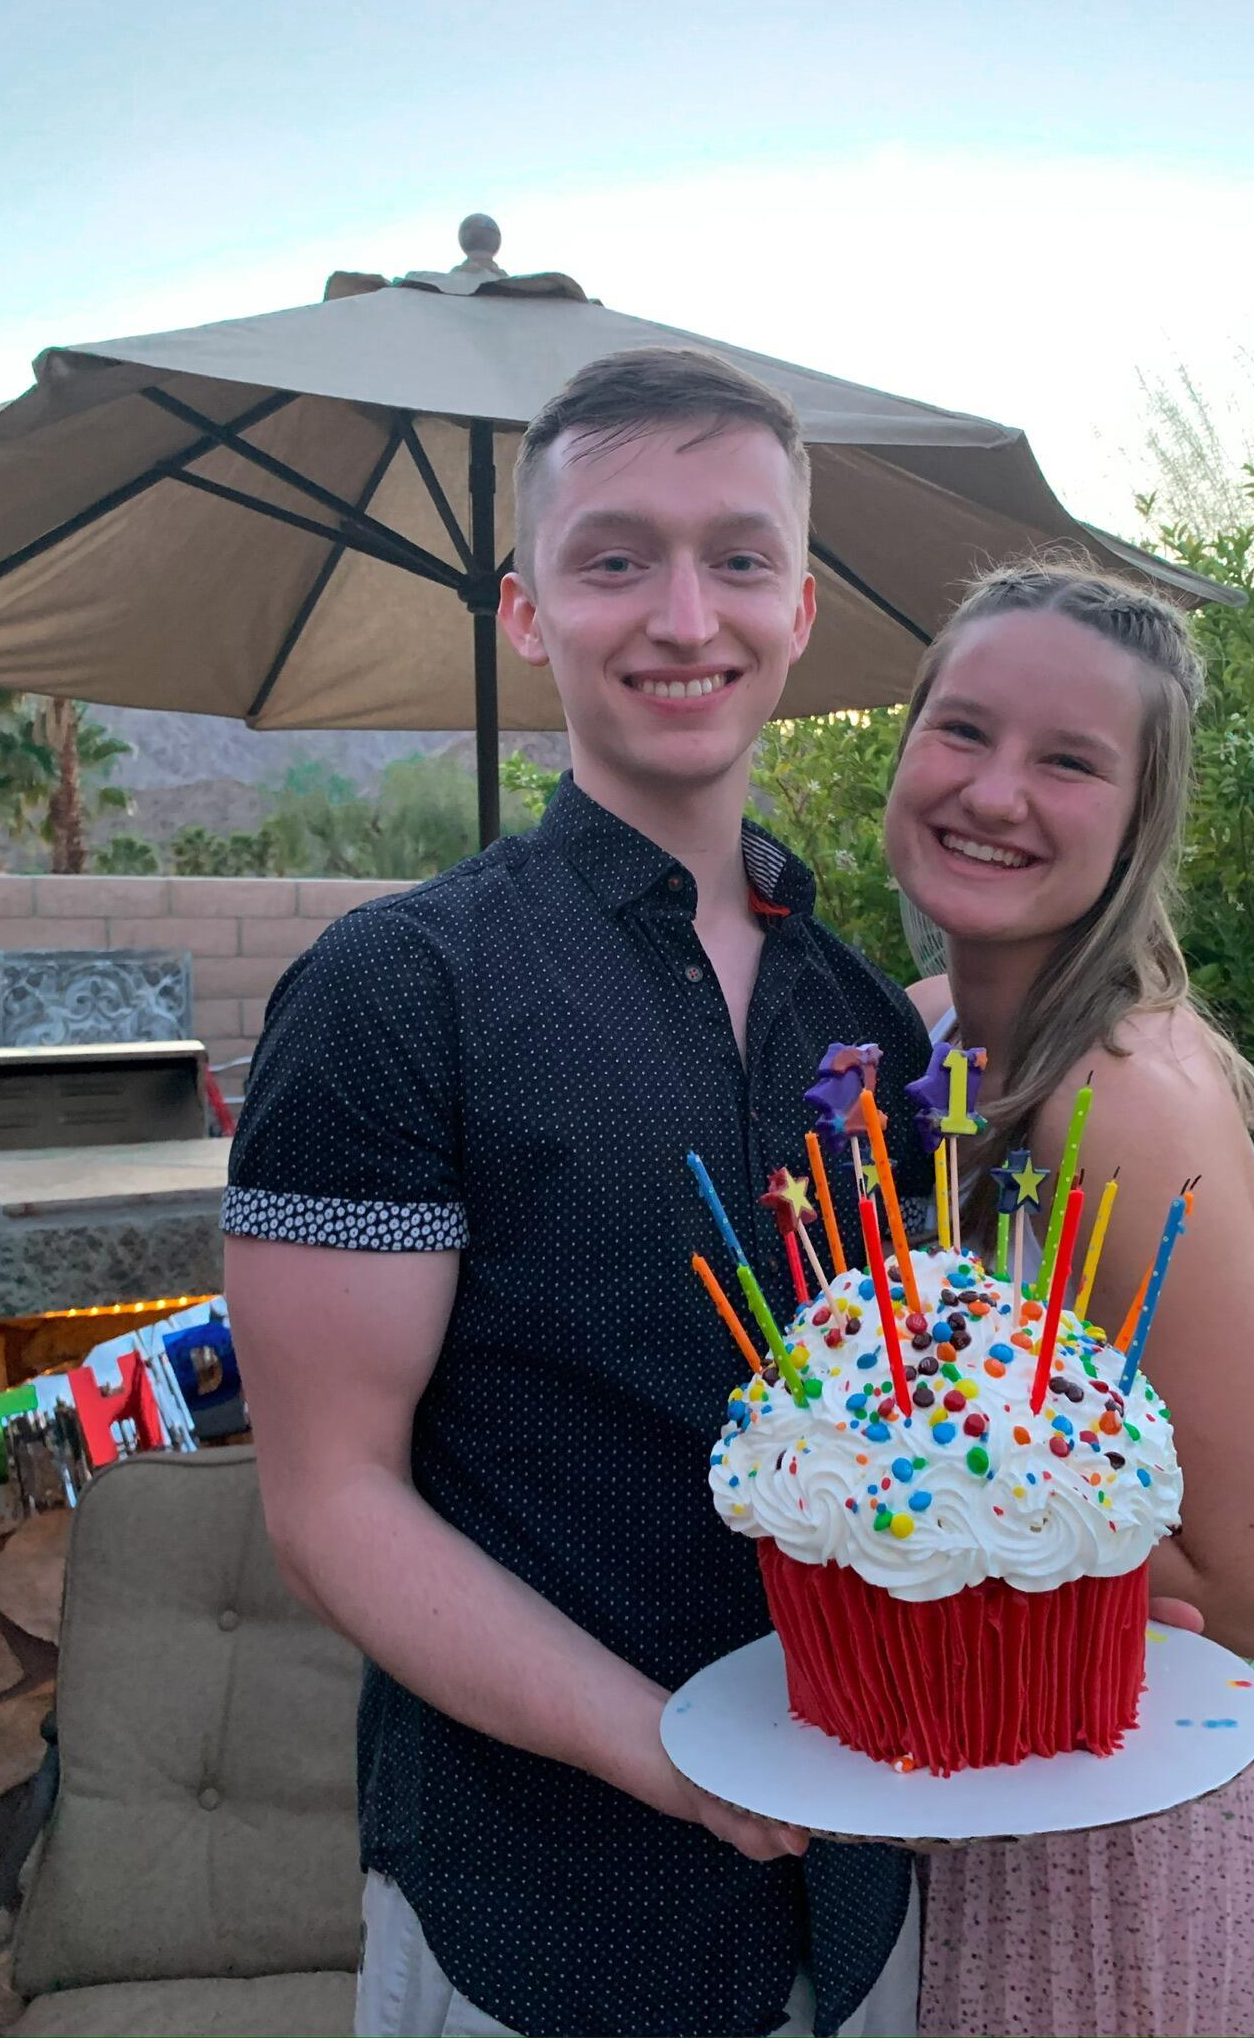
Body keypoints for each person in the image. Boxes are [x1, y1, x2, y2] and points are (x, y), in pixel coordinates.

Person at [221, 347, 930, 2038]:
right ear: (527, 612)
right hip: (540, 1918)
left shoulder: (869, 1023)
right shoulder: (400, 993)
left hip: (870, 1903)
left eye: (738, 558)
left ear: (799, 609)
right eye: (617, 559)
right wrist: (675, 1758)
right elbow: (330, 1499)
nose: (685, 616)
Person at [884, 563, 1254, 2038]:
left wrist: (902, 1521)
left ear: (1141, 819)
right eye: (963, 729)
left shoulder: (1115, 1104)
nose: (994, 792)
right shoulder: (926, 1037)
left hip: (1093, 1854)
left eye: (1069, 761)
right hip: (953, 1783)